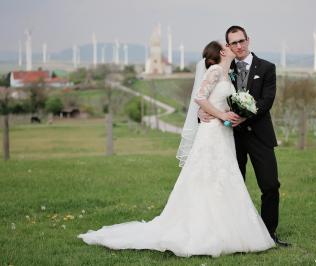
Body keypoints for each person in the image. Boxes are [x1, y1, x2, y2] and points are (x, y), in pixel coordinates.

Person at [78, 41, 276, 257]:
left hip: (224, 133)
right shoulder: (216, 70)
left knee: (224, 177)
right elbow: (199, 98)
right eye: (228, 45)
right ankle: (204, 230)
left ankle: (229, 229)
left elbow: (218, 101)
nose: (233, 47)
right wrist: (217, 115)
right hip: (211, 133)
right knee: (205, 177)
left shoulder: (228, 74)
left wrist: (235, 111)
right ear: (222, 51)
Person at [199, 26, 289, 246]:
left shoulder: (267, 67)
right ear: (227, 46)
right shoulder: (224, 68)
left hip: (260, 135)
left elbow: (267, 101)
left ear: (248, 40)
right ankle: (230, 234)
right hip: (230, 136)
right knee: (230, 186)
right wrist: (202, 113)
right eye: (233, 43)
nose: (239, 46)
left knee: (270, 185)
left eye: (242, 41)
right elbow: (206, 96)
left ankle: (268, 235)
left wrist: (245, 117)